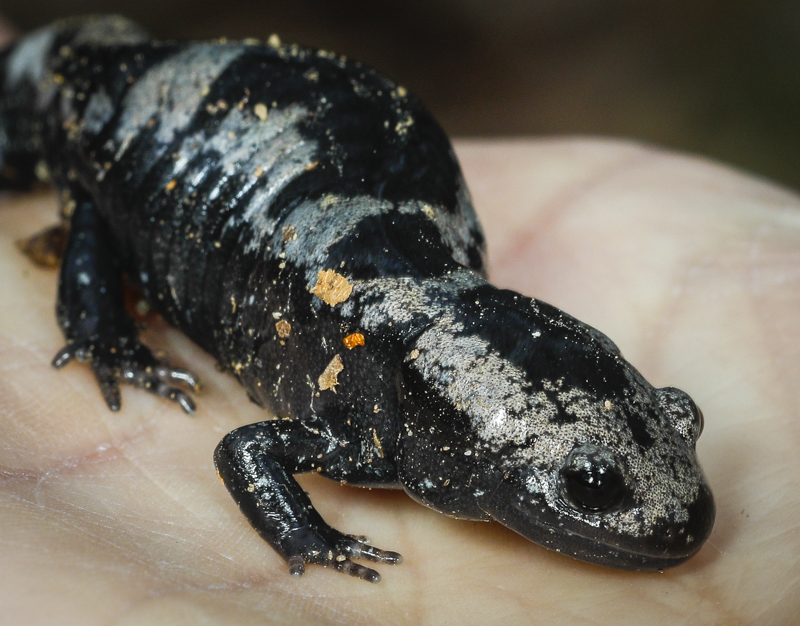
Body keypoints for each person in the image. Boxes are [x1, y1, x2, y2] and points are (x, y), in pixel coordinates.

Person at [1, 24, 798, 626]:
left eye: (675, 418)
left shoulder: (416, 402)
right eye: (589, 482)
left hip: (290, 119)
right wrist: (307, 542)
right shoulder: (364, 428)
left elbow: (250, 445)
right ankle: (98, 324)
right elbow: (248, 449)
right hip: (149, 123)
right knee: (99, 213)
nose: (677, 513)